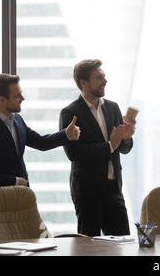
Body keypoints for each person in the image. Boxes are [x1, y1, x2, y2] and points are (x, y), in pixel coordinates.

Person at [59, 59, 135, 236]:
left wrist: (126, 138)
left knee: (121, 245)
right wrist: (110, 145)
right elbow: (74, 153)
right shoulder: (70, 113)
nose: (105, 81)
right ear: (83, 83)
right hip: (87, 192)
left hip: (114, 189)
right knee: (89, 249)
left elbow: (124, 148)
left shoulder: (113, 108)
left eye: (104, 76)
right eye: (99, 77)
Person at [0, 73, 80, 190]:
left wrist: (66, 134)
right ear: (2, 100)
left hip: (23, 194)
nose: (22, 99)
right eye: (17, 96)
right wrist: (14, 181)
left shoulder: (17, 119)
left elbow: (40, 142)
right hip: (0, 200)